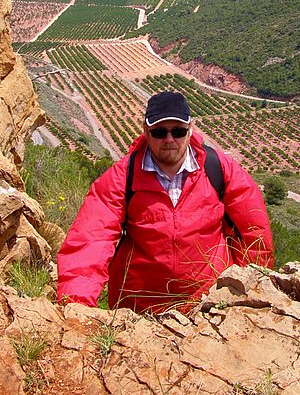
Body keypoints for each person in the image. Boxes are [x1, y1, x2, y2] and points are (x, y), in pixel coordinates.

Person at [56, 91, 274, 314]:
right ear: (146, 132)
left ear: (190, 130)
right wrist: (76, 305)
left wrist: (254, 290)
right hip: (139, 310)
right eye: (159, 132)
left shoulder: (219, 169)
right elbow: (91, 238)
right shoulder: (123, 176)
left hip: (208, 305)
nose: (169, 140)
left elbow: (253, 233)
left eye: (178, 131)